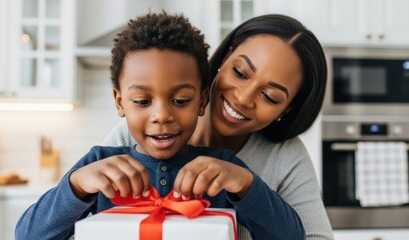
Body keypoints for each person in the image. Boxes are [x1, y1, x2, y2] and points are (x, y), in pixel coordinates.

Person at [15, 12, 305, 240]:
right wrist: (77, 185)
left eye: (180, 100)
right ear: (120, 102)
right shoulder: (101, 164)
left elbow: (291, 236)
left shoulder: (222, 170)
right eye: (142, 101)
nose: (162, 115)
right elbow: (29, 236)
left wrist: (245, 183)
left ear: (202, 101)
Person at [102, 14, 334, 240]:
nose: (243, 98)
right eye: (240, 72)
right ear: (225, 57)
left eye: (270, 97)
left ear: (286, 110)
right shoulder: (140, 134)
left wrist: (246, 185)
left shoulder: (285, 156)